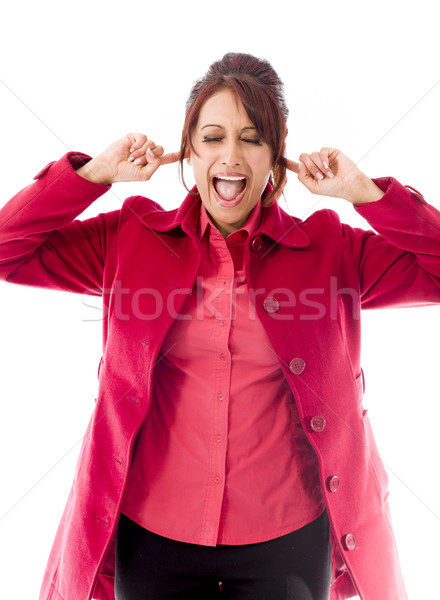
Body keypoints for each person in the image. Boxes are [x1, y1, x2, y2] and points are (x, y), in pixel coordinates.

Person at [0, 52, 439, 600]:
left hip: (287, 542)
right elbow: (6, 250)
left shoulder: (331, 250)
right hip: (152, 539)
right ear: (189, 148)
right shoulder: (130, 238)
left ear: (276, 156)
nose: (231, 158)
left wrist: (368, 195)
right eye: (213, 137)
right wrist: (94, 175)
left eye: (253, 139)